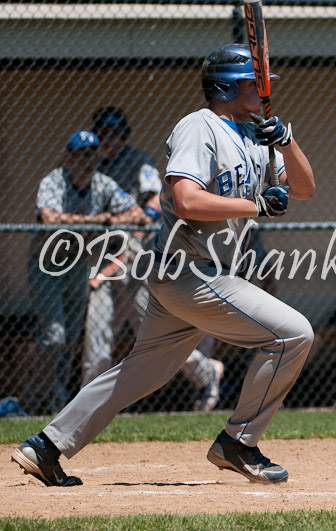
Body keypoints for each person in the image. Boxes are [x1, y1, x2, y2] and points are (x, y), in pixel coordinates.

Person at [11, 43, 316, 487]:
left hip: (197, 274)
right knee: (294, 334)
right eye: (255, 82)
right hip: (190, 270)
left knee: (142, 372)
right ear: (227, 86)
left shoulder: (255, 137)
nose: (265, 89)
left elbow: (304, 189)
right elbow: (185, 199)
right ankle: (238, 442)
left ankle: (45, 446)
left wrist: (286, 142)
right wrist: (256, 205)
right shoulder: (199, 126)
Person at [84, 106, 225, 412]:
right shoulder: (95, 169)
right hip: (105, 256)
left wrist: (138, 222)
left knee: (151, 329)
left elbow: (155, 202)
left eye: (114, 133)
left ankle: (205, 372)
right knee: (97, 329)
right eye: (103, 133)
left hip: (135, 256)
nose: (109, 139)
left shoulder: (139, 161)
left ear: (123, 135)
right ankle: (87, 403)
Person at [25, 130, 148, 414]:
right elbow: (49, 218)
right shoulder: (55, 180)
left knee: (69, 340)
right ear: (69, 158)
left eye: (92, 154)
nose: (87, 160)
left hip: (77, 264)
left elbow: (137, 213)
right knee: (54, 336)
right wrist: (95, 220)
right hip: (46, 263)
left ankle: (56, 402)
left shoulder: (102, 183)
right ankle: (35, 399)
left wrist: (110, 220)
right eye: (81, 155)